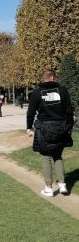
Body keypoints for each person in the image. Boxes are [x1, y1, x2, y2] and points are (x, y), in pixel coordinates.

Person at [27, 69, 74, 197]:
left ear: (44, 78)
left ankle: (48, 188)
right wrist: (69, 126)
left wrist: (29, 127)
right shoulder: (63, 91)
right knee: (58, 155)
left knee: (46, 157)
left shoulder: (37, 93)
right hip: (60, 127)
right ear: (53, 78)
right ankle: (62, 184)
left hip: (44, 129)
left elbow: (31, 112)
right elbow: (69, 111)